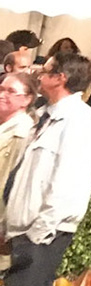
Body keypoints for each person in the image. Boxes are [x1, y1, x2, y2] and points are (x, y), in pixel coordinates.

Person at [0, 54, 91, 286]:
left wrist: (41, 230)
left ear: (60, 78)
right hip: (26, 227)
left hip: (46, 231)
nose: (38, 73)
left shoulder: (79, 120)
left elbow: (68, 180)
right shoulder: (46, 116)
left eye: (45, 70)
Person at [0, 71, 34, 202]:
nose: (2, 95)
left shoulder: (23, 132)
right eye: (1, 89)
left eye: (11, 91)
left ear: (27, 99)